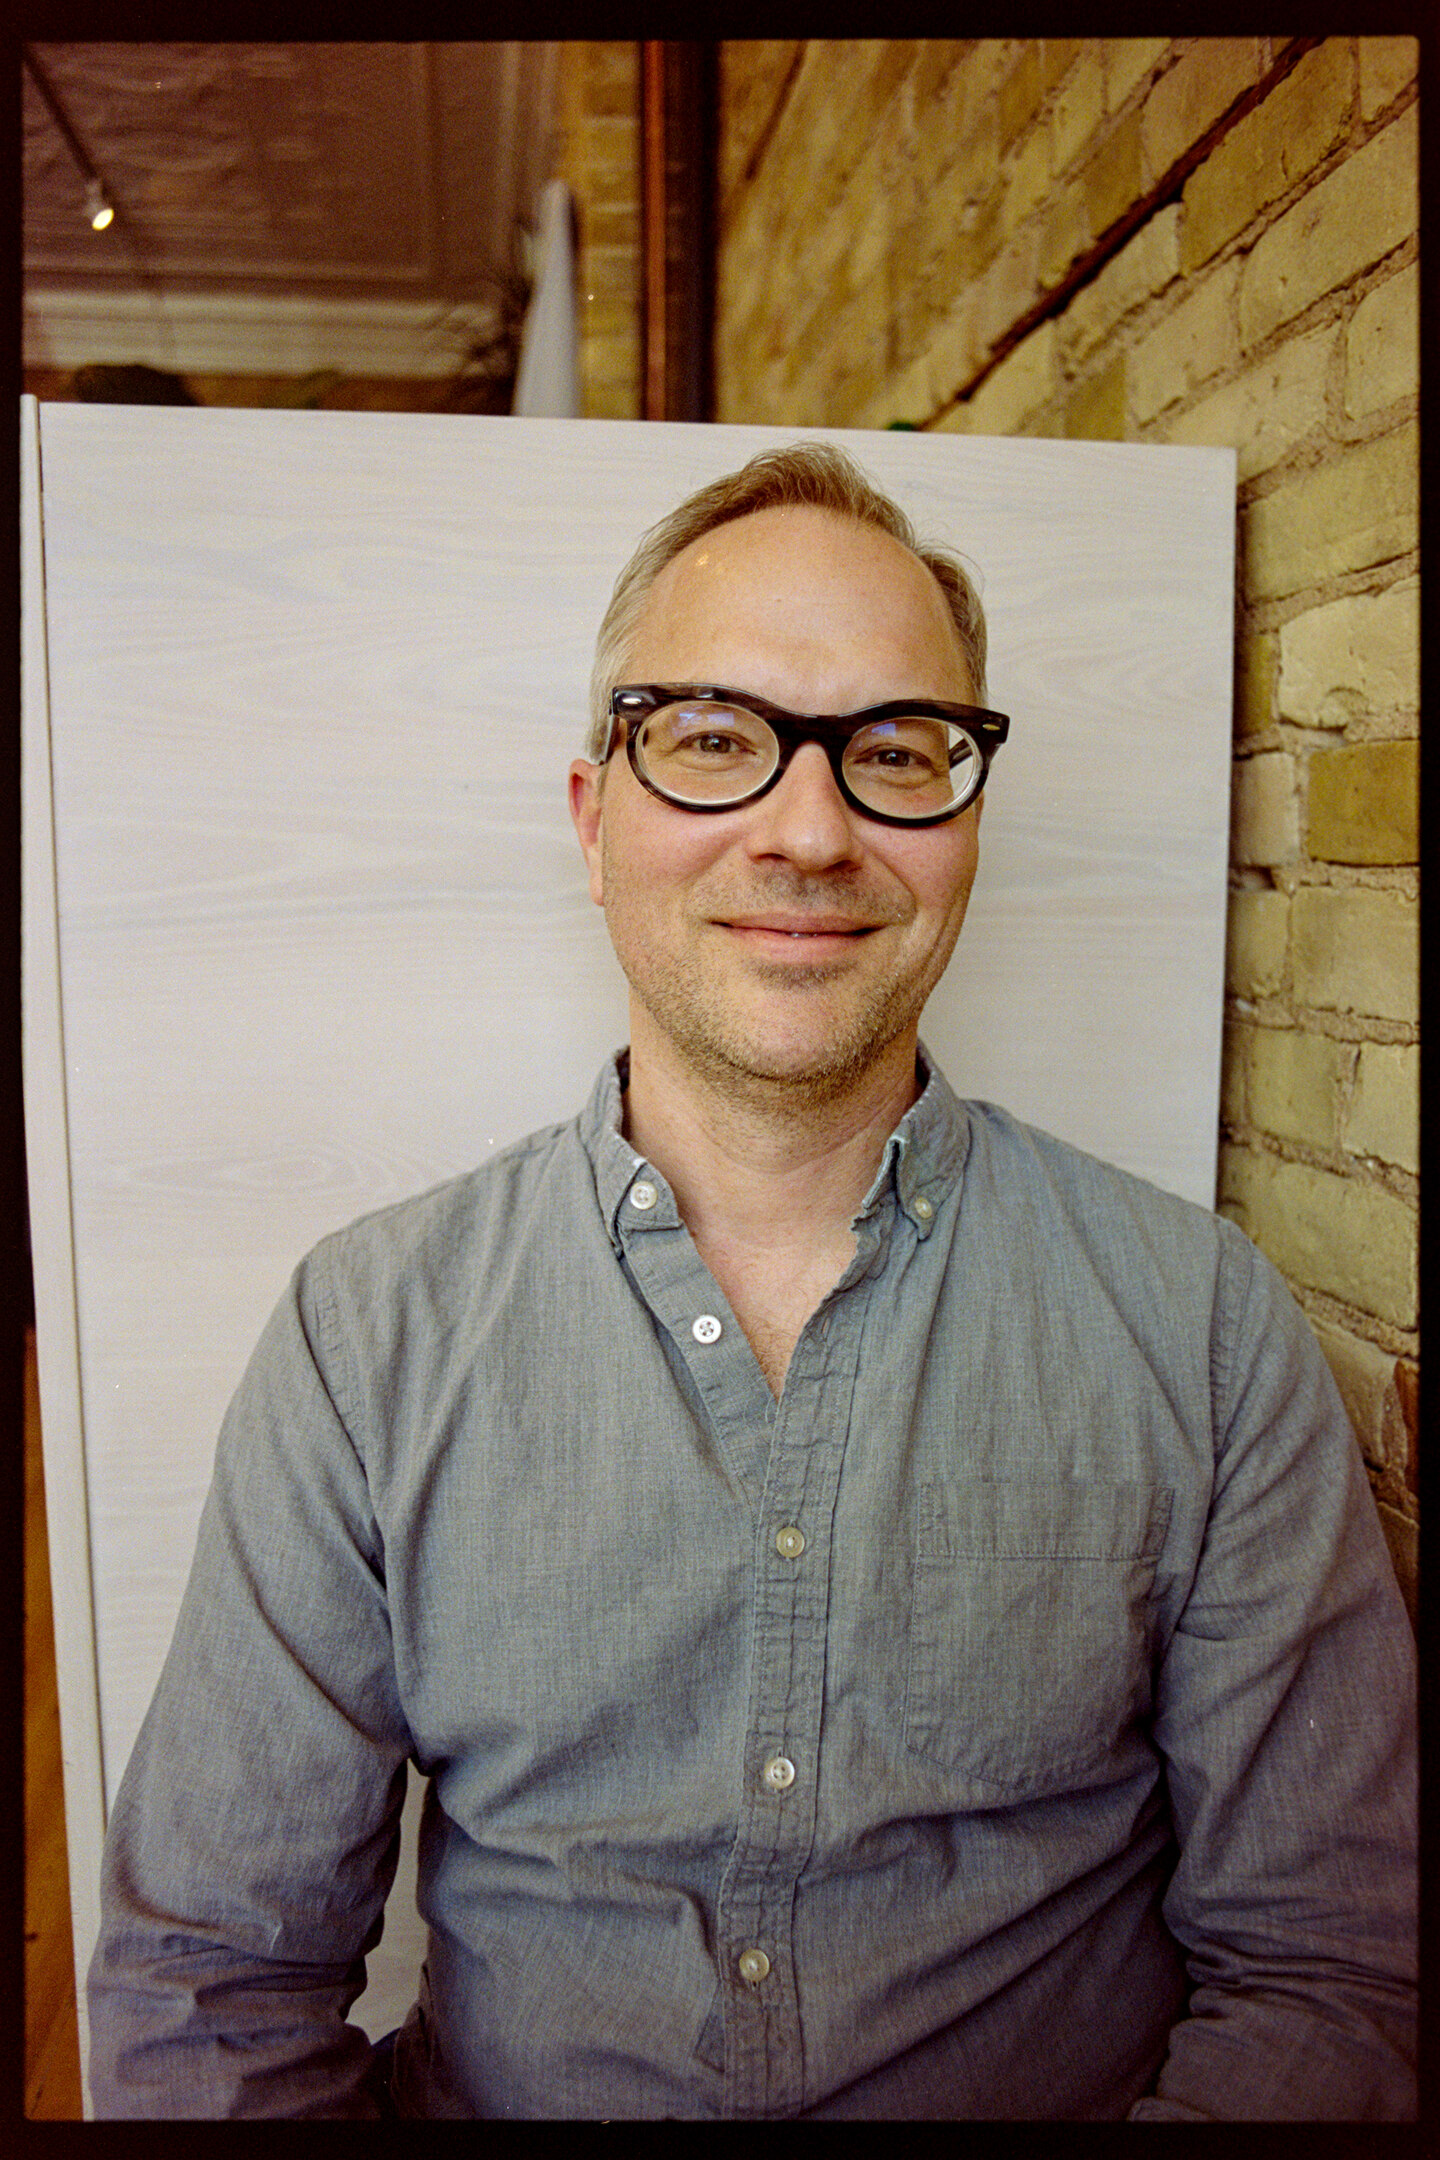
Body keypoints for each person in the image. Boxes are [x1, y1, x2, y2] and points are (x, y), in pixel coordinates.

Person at [88, 443, 1417, 2120]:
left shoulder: (1202, 1328)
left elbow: (1334, 1970)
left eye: (896, 751)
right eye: (714, 739)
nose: (809, 831)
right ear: (596, 823)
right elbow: (207, 1994)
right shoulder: (364, 1343)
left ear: (969, 825)